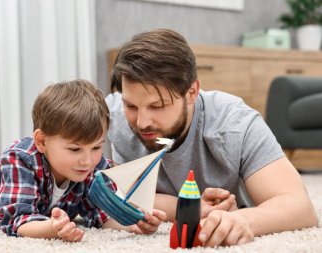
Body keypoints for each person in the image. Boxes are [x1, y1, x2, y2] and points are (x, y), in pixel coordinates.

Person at [106, 29, 318, 246]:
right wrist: (188, 206)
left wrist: (243, 220)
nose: (141, 122)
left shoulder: (235, 124)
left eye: (157, 106)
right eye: (131, 105)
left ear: (192, 92)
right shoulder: (111, 115)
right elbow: (110, 193)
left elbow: (300, 208)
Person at [0, 80, 166, 242]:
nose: (87, 160)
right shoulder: (18, 159)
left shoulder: (94, 167)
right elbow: (17, 221)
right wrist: (51, 228)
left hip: (11, 180)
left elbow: (102, 215)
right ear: (41, 140)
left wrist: (136, 223)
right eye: (75, 148)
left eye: (97, 146)